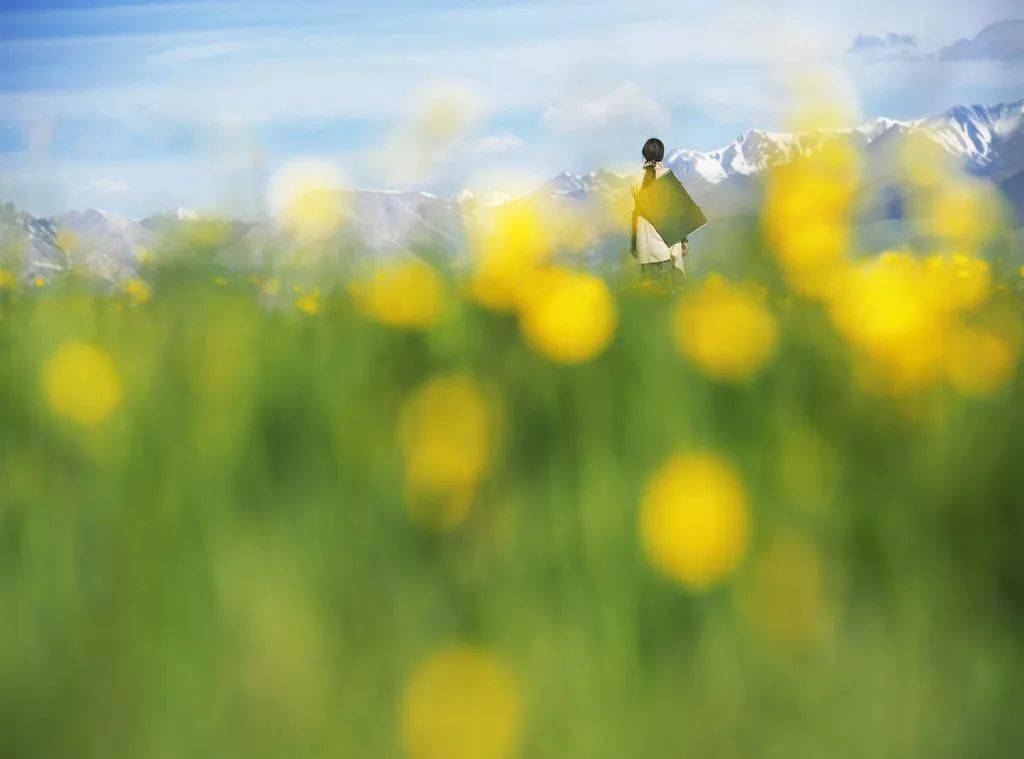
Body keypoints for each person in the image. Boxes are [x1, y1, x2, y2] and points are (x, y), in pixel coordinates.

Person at [631, 137, 688, 288]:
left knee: (648, 298)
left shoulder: (636, 179)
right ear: (661, 155)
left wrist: (633, 243)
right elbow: (677, 210)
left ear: (644, 154)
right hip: (665, 245)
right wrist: (684, 240)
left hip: (644, 247)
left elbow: (635, 213)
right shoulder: (666, 175)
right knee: (667, 296)